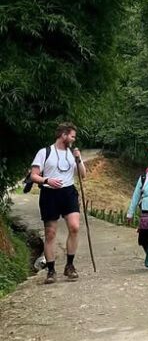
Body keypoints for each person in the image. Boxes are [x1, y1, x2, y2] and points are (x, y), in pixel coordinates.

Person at [30, 122, 86, 285]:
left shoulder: (72, 154)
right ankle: (51, 270)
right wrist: (47, 179)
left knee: (75, 227)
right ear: (64, 135)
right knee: (50, 234)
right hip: (49, 194)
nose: (73, 140)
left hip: (68, 192)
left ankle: (69, 265)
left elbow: (83, 175)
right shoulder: (44, 152)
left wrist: (79, 159)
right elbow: (34, 175)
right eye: (72, 136)